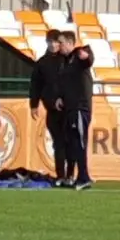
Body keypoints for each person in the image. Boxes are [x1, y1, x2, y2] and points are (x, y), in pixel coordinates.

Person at [57, 31, 94, 190]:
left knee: (79, 142)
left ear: (71, 43)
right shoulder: (65, 62)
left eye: (62, 43)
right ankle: (77, 176)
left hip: (80, 107)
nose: (59, 46)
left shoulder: (78, 56)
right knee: (73, 143)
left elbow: (87, 59)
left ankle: (84, 177)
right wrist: (60, 97)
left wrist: (87, 56)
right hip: (71, 107)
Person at [30, 30, 68, 182]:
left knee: (70, 143)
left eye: (56, 41)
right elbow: (35, 85)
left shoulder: (68, 60)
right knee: (58, 143)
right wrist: (34, 104)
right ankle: (61, 175)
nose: (53, 45)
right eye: (50, 41)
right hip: (51, 110)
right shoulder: (41, 63)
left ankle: (71, 175)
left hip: (69, 108)